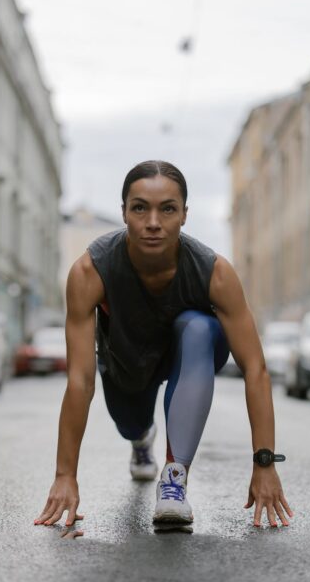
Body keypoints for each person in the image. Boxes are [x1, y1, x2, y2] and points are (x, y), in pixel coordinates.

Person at [33, 160, 292, 532]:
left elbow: (255, 368)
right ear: (124, 213)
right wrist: (64, 475)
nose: (153, 222)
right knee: (130, 424)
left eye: (167, 209)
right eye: (140, 208)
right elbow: (79, 380)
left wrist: (264, 463)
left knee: (199, 326)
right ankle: (142, 439)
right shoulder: (91, 271)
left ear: (184, 215)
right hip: (126, 365)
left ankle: (174, 480)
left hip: (187, 360)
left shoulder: (214, 272)